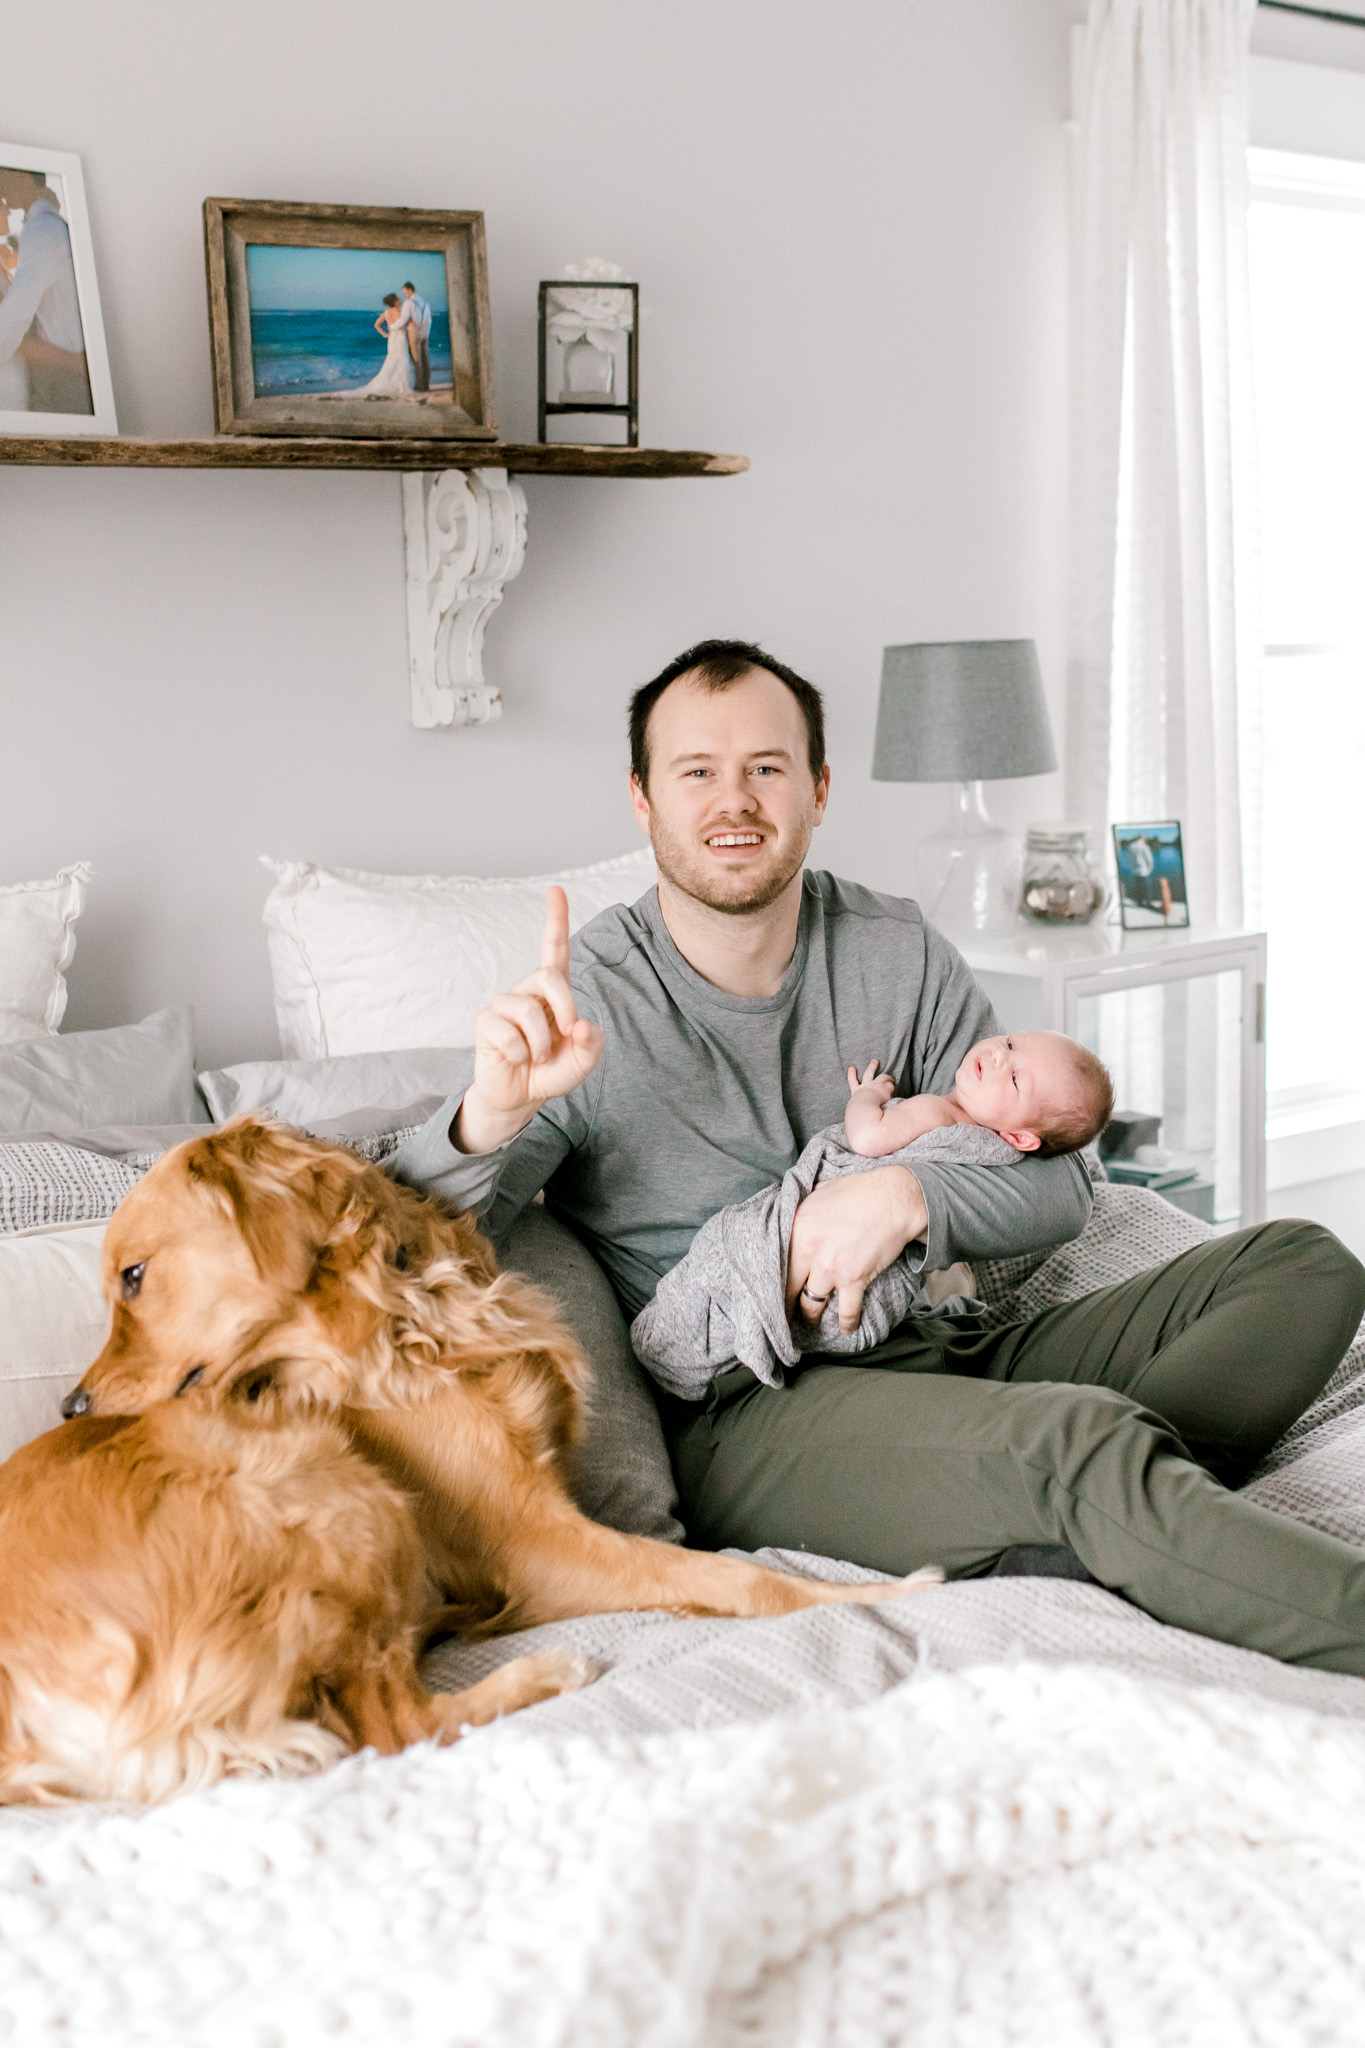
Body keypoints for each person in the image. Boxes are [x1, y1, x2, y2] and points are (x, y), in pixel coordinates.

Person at [389, 638, 1365, 1677]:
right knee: (1077, 1438)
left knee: (1306, 1265)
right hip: (755, 1408)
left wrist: (905, 1194)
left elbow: (1059, 1177)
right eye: (696, 771)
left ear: (817, 789)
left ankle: (1096, 1532)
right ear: (643, 800)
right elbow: (401, 1248)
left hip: (937, 1339)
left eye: (767, 767)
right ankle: (1113, 1500)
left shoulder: (894, 949)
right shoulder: (592, 998)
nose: (736, 800)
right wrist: (485, 1116)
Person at [843, 1030, 1113, 1161]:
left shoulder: (936, 1114)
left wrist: (865, 1096)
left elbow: (867, 1138)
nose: (999, 1055)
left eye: (1015, 1078)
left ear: (1019, 1137)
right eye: (1011, 1044)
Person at [0, 169, 92, 415]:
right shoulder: (47, 226)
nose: (5, 202)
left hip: (61, 382)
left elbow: (16, 313)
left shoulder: (42, 228)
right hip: (55, 376)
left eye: (3, 177)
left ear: (24, 178)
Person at [353, 293, 414, 397]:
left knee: (392, 359)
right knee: (402, 359)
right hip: (400, 338)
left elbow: (376, 324)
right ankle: (401, 385)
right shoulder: (401, 312)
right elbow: (408, 323)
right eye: (398, 299)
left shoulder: (386, 313)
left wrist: (384, 334)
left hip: (392, 338)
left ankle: (390, 383)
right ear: (395, 301)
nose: (400, 300)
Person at [402, 282, 432, 393]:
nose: (404, 294)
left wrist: (392, 326)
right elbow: (428, 320)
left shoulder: (409, 303)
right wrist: (425, 332)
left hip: (414, 333)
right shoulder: (425, 303)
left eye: (404, 291)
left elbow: (403, 320)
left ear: (410, 290)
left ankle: (419, 385)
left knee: (416, 359)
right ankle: (426, 384)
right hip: (425, 333)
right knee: (425, 359)